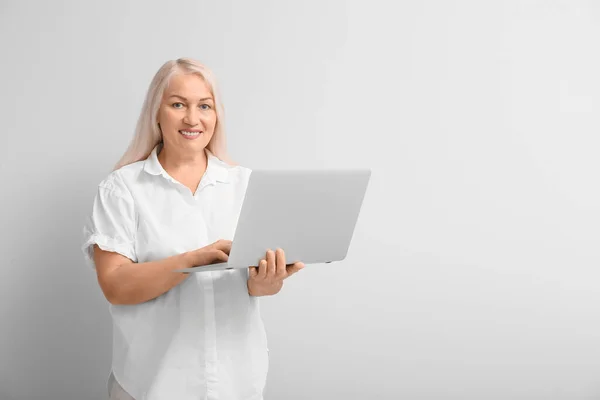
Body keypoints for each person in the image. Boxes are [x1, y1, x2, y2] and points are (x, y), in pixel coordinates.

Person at [82, 58, 305, 400]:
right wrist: (191, 261)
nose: (192, 118)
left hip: (236, 383)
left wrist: (266, 282)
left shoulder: (245, 185)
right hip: (152, 385)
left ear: (216, 116)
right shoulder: (122, 188)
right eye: (177, 104)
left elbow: (254, 289)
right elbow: (115, 286)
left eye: (204, 105)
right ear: (156, 113)